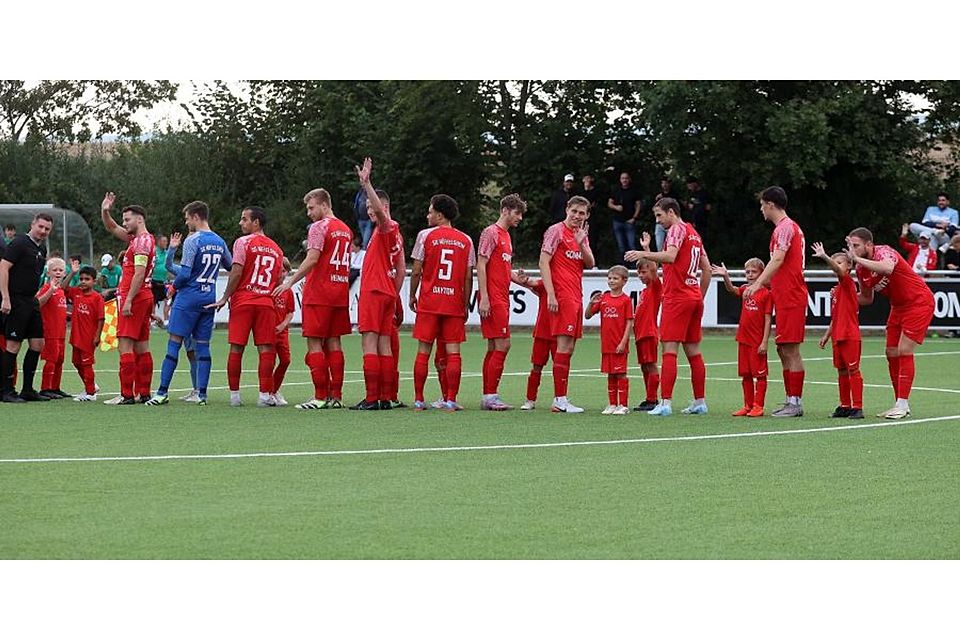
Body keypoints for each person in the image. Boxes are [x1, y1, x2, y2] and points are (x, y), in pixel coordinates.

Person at [625, 197, 711, 417]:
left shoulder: (676, 229)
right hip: (693, 297)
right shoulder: (694, 233)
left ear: (671, 212)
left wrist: (644, 253)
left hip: (677, 297)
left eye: (659, 215)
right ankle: (699, 402)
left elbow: (671, 256)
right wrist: (698, 296)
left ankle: (665, 402)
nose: (658, 220)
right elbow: (707, 270)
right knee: (693, 351)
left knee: (669, 350)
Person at [273, 188, 353, 410]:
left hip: (319, 291)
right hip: (339, 291)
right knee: (335, 342)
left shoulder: (319, 227)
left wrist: (290, 280)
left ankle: (319, 396)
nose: (308, 213)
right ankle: (336, 396)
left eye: (311, 207)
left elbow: (313, 258)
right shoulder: (345, 229)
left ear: (324, 205)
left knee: (315, 341)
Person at [146, 201, 231, 407]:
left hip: (188, 298)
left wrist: (173, 287)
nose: (186, 223)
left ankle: (162, 392)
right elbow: (231, 266)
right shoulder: (219, 241)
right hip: (208, 299)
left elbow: (185, 274)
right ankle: (201, 394)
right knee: (203, 347)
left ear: (195, 217)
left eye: (187, 219)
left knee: (174, 343)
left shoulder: (194, 240)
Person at [846, 226, 935, 419]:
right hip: (898, 307)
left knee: (904, 350)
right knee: (891, 352)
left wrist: (856, 258)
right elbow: (866, 298)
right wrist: (843, 294)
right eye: (851, 246)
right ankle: (900, 403)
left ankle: (902, 404)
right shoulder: (861, 269)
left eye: (856, 245)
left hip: (918, 301)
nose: (853, 249)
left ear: (869, 244)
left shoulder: (883, 251)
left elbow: (887, 268)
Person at [209, 206, 282, 408]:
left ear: (256, 222)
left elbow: (236, 271)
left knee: (237, 348)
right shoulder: (276, 248)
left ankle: (235, 396)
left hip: (243, 301)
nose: (241, 223)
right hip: (265, 302)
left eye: (244, 219)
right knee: (266, 348)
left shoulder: (242, 242)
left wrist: (225, 297)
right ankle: (264, 396)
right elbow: (278, 278)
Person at [744, 186, 807, 418]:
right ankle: (791, 399)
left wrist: (759, 283)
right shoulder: (787, 228)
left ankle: (795, 402)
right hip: (785, 295)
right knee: (783, 348)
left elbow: (779, 259)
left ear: (770, 204)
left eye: (762, 205)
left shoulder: (785, 228)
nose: (761, 209)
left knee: (791, 349)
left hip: (792, 296)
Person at [409, 194, 475, 411]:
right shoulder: (466, 240)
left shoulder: (425, 236)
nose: (427, 215)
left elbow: (417, 270)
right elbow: (468, 277)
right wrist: (465, 304)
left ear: (439, 215)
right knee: (453, 352)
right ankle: (451, 399)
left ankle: (419, 399)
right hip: (453, 303)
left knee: (423, 351)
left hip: (430, 301)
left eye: (430, 211)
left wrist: (412, 295)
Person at [352, 157, 406, 410]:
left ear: (384, 206)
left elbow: (382, 215)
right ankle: (385, 397)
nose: (369, 211)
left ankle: (372, 397)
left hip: (374, 291)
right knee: (384, 343)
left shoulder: (387, 226)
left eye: (372, 207)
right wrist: (394, 297)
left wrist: (367, 184)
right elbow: (402, 268)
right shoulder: (393, 234)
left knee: (369, 342)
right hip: (386, 292)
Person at [540, 195, 596, 413]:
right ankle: (559, 399)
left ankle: (561, 397)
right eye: (574, 212)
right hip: (562, 296)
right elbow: (543, 261)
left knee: (569, 348)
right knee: (563, 347)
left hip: (575, 296)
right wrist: (551, 294)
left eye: (582, 213)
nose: (577, 216)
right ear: (567, 210)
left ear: (587, 216)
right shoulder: (556, 231)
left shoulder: (581, 235)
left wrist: (582, 243)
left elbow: (590, 263)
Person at [100, 193, 158, 404]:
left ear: (139, 219)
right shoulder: (141, 239)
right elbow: (112, 228)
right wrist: (105, 210)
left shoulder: (141, 242)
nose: (124, 223)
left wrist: (129, 300)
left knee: (125, 345)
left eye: (127, 219)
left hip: (135, 296)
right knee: (142, 347)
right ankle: (144, 393)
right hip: (145, 296)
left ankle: (126, 395)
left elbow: (139, 273)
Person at [476, 193, 526, 410]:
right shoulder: (491, 233)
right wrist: (485, 297)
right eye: (517, 213)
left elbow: (501, 268)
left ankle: (488, 396)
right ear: (505, 210)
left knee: (494, 346)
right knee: (504, 344)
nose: (520, 218)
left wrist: (517, 278)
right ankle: (490, 395)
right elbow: (481, 264)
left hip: (501, 296)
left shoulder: (506, 236)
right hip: (493, 298)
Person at [0, 213, 54, 402]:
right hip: (15, 299)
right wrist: (5, 298)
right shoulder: (19, 243)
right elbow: (3, 267)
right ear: (33, 224)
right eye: (40, 227)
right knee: (13, 345)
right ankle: (6, 391)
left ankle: (28, 389)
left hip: (31, 300)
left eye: (47, 229)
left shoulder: (42, 248)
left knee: (38, 343)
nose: (43, 231)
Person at [712, 258, 772, 417]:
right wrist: (725, 276)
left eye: (754, 272)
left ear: (762, 274)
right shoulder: (745, 289)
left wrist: (764, 341)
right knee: (745, 374)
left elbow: (768, 319)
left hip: (757, 341)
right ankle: (748, 405)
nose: (750, 275)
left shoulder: (766, 293)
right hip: (743, 339)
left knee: (759, 374)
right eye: (748, 272)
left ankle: (758, 406)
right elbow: (732, 290)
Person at [812, 242, 864, 420]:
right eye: (835, 263)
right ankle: (845, 405)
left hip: (850, 334)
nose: (837, 266)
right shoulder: (835, 290)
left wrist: (825, 256)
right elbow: (836, 316)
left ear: (849, 265)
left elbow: (840, 272)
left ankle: (858, 406)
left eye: (840, 262)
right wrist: (827, 335)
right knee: (841, 371)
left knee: (853, 370)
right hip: (838, 335)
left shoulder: (848, 282)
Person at [585, 266, 634, 415]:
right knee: (610, 374)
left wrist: (623, 342)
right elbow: (587, 316)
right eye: (610, 278)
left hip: (619, 345)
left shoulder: (626, 300)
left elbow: (629, 323)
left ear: (624, 281)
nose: (611, 281)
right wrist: (591, 303)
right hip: (606, 344)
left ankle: (623, 405)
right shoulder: (604, 298)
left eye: (615, 278)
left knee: (621, 374)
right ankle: (612, 404)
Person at [517, 274, 557, 410]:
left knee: (559, 368)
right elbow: (532, 283)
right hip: (542, 332)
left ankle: (559, 398)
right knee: (536, 367)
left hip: (559, 333)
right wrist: (524, 279)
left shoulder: (567, 284)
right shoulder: (545, 282)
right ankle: (530, 399)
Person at [36, 257, 71, 399]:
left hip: (61, 332)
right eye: (54, 270)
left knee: (59, 359)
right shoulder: (47, 288)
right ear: (48, 272)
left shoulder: (61, 291)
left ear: (64, 273)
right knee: (51, 359)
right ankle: (45, 388)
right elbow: (38, 303)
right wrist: (50, 290)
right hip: (50, 332)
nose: (58, 272)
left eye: (60, 270)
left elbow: (58, 309)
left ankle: (55, 387)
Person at [68, 266, 105, 401]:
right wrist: (72, 273)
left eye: (87, 279)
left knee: (86, 364)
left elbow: (101, 319)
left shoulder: (97, 298)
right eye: (81, 279)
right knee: (76, 362)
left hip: (88, 338)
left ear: (94, 281)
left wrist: (97, 336)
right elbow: (63, 287)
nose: (83, 281)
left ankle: (90, 393)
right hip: (76, 336)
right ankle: (90, 385)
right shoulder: (76, 293)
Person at [632, 258, 662, 412]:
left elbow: (654, 268)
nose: (640, 275)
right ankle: (650, 397)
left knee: (651, 365)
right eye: (639, 272)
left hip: (649, 333)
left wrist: (647, 250)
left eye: (643, 272)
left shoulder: (655, 287)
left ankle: (653, 399)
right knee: (644, 366)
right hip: (640, 334)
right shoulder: (644, 291)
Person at [270, 257, 295, 407]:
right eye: (280, 270)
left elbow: (290, 312)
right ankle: (268, 392)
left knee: (285, 360)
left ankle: (275, 390)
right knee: (269, 361)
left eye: (285, 271)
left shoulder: (287, 291)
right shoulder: (268, 288)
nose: (282, 274)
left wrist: (283, 325)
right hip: (269, 332)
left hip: (282, 333)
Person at [607, 171, 642, 265]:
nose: (624, 180)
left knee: (632, 244)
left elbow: (638, 205)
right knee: (621, 246)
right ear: (620, 180)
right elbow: (609, 203)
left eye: (626, 178)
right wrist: (616, 207)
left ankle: (635, 266)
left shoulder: (634, 191)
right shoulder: (616, 190)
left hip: (629, 221)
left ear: (629, 179)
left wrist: (634, 217)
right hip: (617, 221)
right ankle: (623, 265)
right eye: (623, 178)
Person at [652, 177, 680, 251]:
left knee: (672, 245)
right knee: (659, 246)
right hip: (660, 225)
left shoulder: (675, 195)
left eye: (666, 183)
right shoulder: (658, 196)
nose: (664, 185)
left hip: (671, 223)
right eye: (663, 183)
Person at [580, 174, 603, 257]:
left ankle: (594, 261)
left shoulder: (596, 192)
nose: (587, 180)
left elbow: (592, 205)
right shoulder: (580, 192)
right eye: (585, 178)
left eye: (588, 178)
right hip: (581, 219)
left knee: (593, 240)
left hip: (593, 219)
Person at [151, 234, 170, 307]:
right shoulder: (154, 252)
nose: (166, 243)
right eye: (164, 241)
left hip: (164, 282)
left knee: (168, 301)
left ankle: (166, 318)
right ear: (159, 242)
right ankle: (153, 318)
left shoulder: (167, 253)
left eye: (166, 241)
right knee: (153, 302)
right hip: (154, 281)